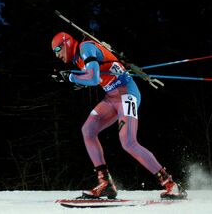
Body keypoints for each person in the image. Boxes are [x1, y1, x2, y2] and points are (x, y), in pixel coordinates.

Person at [51, 31, 187, 200]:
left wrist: (71, 77)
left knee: (128, 142)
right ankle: (106, 184)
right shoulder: (78, 58)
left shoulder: (85, 48)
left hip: (126, 94)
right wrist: (76, 78)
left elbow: (93, 78)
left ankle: (171, 185)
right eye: (55, 53)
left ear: (67, 42)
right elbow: (94, 76)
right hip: (111, 97)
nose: (58, 55)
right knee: (88, 130)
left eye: (58, 49)